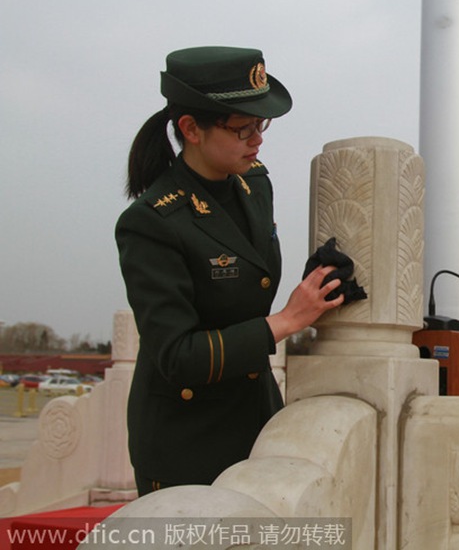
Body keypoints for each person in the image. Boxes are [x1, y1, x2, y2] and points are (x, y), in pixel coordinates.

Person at [116, 46, 345, 496]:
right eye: (242, 129)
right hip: (187, 439)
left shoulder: (254, 184)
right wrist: (286, 321)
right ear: (191, 129)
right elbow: (176, 356)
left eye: (261, 125)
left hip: (255, 421)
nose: (257, 140)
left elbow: (251, 274)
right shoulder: (152, 222)